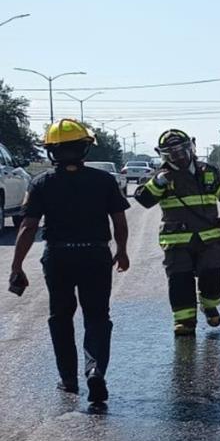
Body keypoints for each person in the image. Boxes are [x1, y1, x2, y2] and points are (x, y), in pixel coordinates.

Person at [8, 119, 130, 405]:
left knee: (60, 317)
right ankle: (95, 369)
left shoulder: (41, 183)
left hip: (59, 257)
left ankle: (68, 380)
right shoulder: (104, 180)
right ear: (85, 148)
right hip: (95, 255)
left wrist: (17, 266)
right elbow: (119, 221)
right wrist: (122, 250)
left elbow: (27, 227)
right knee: (97, 316)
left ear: (52, 152)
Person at [134, 129, 220, 336]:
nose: (179, 156)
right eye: (172, 153)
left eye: (182, 150)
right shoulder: (160, 177)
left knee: (213, 278)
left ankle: (208, 304)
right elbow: (144, 199)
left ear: (191, 147)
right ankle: (184, 322)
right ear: (164, 155)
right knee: (179, 281)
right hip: (177, 242)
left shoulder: (209, 172)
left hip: (210, 238)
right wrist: (157, 183)